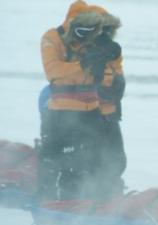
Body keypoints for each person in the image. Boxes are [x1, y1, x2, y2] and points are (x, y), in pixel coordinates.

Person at [37, 0, 113, 201]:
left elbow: (107, 77)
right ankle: (55, 206)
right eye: (83, 27)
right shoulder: (51, 38)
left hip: (92, 111)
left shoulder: (92, 39)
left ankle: (96, 204)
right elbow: (52, 71)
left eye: (90, 28)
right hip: (61, 111)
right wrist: (83, 64)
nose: (87, 32)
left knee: (98, 162)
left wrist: (105, 66)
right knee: (64, 164)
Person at [86, 4, 127, 201]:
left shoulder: (113, 52)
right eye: (105, 30)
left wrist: (118, 88)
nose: (109, 35)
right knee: (95, 159)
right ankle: (95, 197)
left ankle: (111, 194)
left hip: (111, 113)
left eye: (111, 31)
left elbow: (118, 76)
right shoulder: (85, 51)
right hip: (90, 114)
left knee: (118, 160)